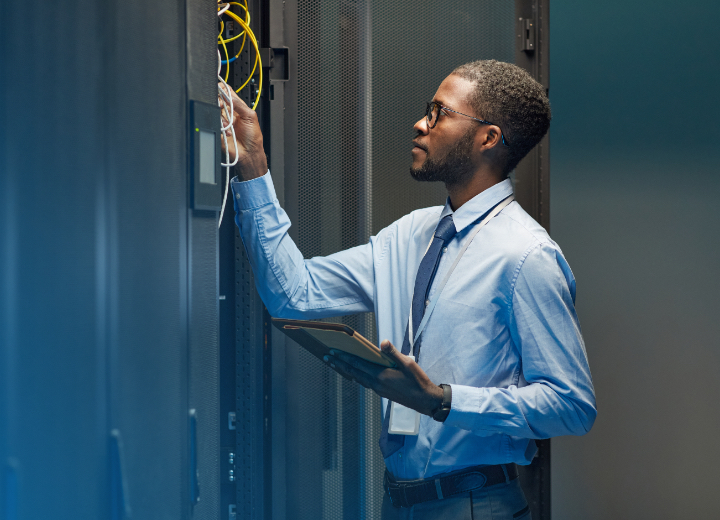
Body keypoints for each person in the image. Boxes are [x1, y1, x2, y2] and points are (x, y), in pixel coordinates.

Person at [222, 59, 596, 520]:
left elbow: (572, 405)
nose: (421, 124)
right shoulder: (410, 235)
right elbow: (293, 293)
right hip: (398, 504)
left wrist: (442, 402)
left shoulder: (526, 256)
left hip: (477, 507)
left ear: (488, 138)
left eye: (439, 112)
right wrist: (254, 167)